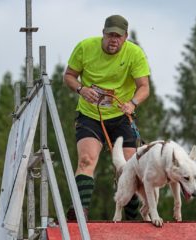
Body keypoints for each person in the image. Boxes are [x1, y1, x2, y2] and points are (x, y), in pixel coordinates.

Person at [63, 14, 150, 220]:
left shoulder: (135, 54)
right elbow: (69, 76)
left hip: (121, 117)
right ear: (103, 33)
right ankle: (80, 211)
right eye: (110, 35)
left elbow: (144, 87)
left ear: (125, 37)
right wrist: (81, 89)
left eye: (118, 36)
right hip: (90, 115)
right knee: (86, 159)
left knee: (129, 168)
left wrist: (132, 103)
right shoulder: (85, 47)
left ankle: (131, 216)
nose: (114, 40)